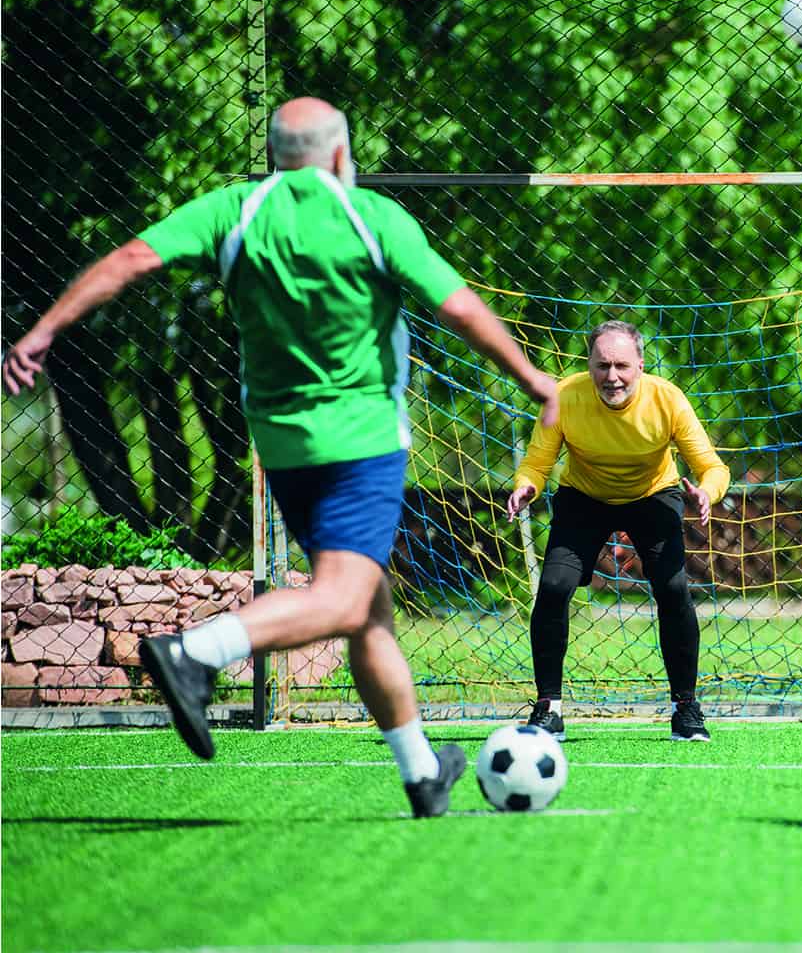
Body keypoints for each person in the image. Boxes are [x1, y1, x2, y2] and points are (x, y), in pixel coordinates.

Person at [2, 97, 559, 819]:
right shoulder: (373, 216)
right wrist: (535, 379)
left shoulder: (234, 209)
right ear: (337, 154)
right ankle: (195, 652)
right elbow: (457, 307)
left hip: (282, 445)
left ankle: (424, 776)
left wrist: (43, 330)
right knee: (345, 597)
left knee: (371, 611)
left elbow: (131, 259)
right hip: (361, 441)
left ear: (276, 154)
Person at [507, 320, 729, 742]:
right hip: (583, 497)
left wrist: (707, 493)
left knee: (674, 589)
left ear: (641, 366)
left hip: (652, 495)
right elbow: (536, 461)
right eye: (602, 365)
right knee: (553, 586)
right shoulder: (564, 396)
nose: (612, 376)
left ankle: (686, 708)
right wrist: (527, 485)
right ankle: (548, 707)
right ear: (588, 366)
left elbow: (712, 467)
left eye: (622, 366)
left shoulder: (668, 400)